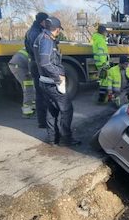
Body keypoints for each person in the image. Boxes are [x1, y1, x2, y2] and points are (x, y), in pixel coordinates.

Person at [33, 17, 79, 146]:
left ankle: (53, 139)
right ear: (57, 29)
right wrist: (58, 77)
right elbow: (45, 62)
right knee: (67, 109)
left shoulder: (40, 37)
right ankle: (67, 139)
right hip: (52, 82)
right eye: (59, 30)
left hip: (44, 81)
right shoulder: (47, 41)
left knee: (52, 110)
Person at [24, 12, 49, 128]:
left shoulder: (33, 31)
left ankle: (43, 121)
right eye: (46, 21)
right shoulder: (36, 33)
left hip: (35, 64)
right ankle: (43, 122)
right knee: (42, 94)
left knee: (41, 93)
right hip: (38, 66)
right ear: (42, 21)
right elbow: (39, 51)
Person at [8, 48, 36, 118]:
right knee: (29, 87)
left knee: (30, 87)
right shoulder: (35, 50)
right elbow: (31, 62)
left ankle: (32, 106)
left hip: (19, 64)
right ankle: (27, 112)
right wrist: (30, 73)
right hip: (20, 66)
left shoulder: (32, 46)